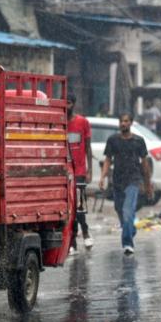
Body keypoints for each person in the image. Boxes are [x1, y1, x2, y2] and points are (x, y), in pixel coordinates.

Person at [99, 114, 153, 255]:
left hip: (133, 181)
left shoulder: (138, 141)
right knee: (119, 210)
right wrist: (102, 177)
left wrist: (148, 184)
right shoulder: (113, 140)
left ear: (131, 123)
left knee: (128, 212)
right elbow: (108, 160)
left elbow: (145, 163)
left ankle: (128, 244)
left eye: (126, 121)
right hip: (117, 181)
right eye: (121, 121)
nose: (123, 123)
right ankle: (131, 230)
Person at [66, 93, 94, 254]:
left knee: (79, 206)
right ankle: (72, 240)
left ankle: (85, 231)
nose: (67, 106)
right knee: (70, 208)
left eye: (69, 103)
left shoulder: (83, 122)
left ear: (74, 104)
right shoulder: (60, 123)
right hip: (66, 172)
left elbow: (88, 148)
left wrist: (89, 170)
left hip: (80, 171)